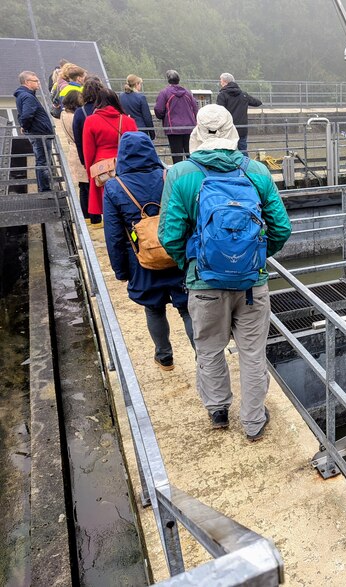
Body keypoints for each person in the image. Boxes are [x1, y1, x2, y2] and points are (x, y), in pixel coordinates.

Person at [158, 104, 291, 440]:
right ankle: (253, 422)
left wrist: (193, 264)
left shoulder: (180, 175)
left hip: (204, 284)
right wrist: (257, 259)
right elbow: (281, 228)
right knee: (251, 352)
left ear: (197, 133)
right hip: (252, 285)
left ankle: (218, 411)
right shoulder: (257, 172)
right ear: (232, 131)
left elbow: (169, 235)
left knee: (210, 348)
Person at [103, 131, 194, 370]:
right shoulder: (169, 176)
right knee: (187, 309)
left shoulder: (115, 187)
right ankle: (203, 358)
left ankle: (165, 357)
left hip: (141, 260)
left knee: (154, 309)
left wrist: (121, 271)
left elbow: (113, 235)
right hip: (176, 253)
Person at [82, 88, 138, 224]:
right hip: (125, 165)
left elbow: (88, 151)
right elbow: (137, 147)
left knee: (107, 205)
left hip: (102, 168)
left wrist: (90, 171)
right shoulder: (128, 121)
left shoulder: (90, 121)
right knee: (127, 199)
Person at [14, 71, 54, 192]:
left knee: (42, 160)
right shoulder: (27, 96)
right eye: (35, 81)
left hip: (38, 132)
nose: (39, 83)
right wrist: (25, 126)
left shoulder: (24, 95)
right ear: (27, 82)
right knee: (43, 161)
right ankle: (45, 189)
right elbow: (26, 115)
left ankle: (44, 188)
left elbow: (22, 115)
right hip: (39, 134)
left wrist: (23, 125)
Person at [73, 76, 105, 224]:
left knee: (92, 188)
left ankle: (94, 218)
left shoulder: (80, 113)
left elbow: (78, 139)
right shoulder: (104, 109)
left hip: (90, 156)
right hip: (107, 155)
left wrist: (83, 160)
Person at [154, 70, 197, 163]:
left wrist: (163, 117)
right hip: (189, 128)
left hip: (173, 128)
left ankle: (179, 175)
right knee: (191, 156)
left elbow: (159, 110)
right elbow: (195, 109)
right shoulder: (188, 93)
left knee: (177, 157)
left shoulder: (164, 93)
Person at [60, 91, 90, 218]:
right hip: (80, 152)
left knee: (83, 187)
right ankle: (89, 216)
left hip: (73, 150)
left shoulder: (63, 114)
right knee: (86, 188)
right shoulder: (74, 117)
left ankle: (87, 216)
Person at [216, 72, 262, 155]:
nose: (220, 83)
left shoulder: (222, 95)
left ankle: (230, 167)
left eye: (221, 81)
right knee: (243, 150)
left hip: (228, 129)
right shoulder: (243, 95)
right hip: (242, 128)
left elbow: (220, 111)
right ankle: (246, 167)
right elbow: (258, 102)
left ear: (225, 82)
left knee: (228, 151)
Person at [120, 75, 155, 140]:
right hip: (140, 129)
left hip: (126, 129)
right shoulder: (141, 98)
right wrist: (152, 132)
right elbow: (147, 117)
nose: (140, 86)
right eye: (140, 84)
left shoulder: (121, 96)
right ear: (136, 84)